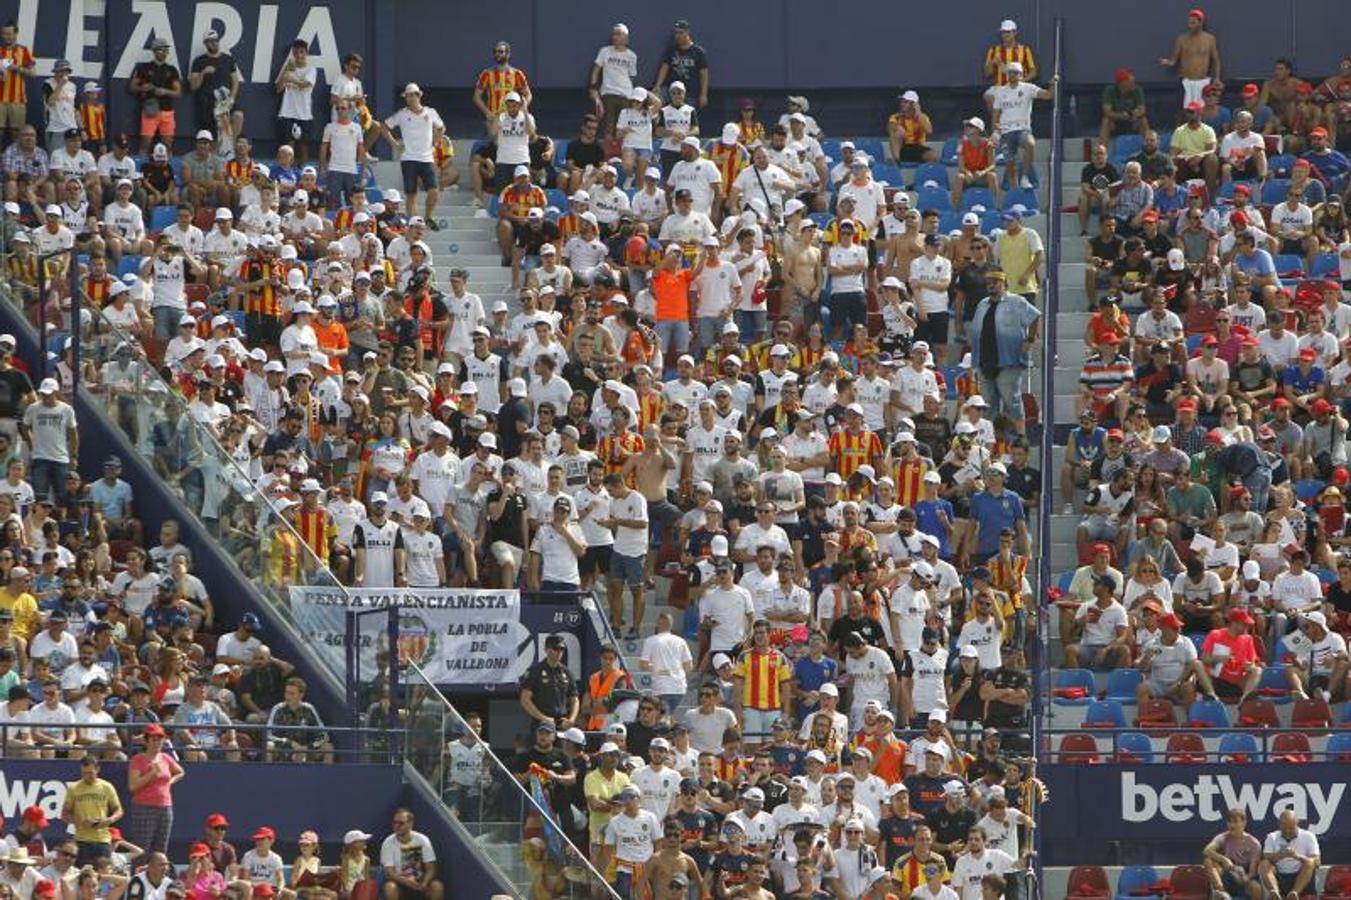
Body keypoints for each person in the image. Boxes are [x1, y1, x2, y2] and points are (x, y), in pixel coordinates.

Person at [124, 724, 181, 860]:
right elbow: (133, 786)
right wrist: (151, 774)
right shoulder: (138, 759)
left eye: (160, 738)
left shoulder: (166, 758)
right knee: (141, 849)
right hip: (144, 808)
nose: (157, 742)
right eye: (153, 739)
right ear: (146, 741)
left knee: (161, 849)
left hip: (165, 807)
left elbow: (180, 772)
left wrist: (170, 782)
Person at [61, 755, 123, 866]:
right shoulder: (74, 788)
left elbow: (119, 810)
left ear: (97, 769)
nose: (87, 776)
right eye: (84, 773)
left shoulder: (106, 786)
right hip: (81, 841)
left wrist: (108, 820)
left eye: (90, 773)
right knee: (81, 876)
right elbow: (64, 815)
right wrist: (81, 821)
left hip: (102, 840)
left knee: (103, 876)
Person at [1158, 9, 1222, 106]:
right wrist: (1168, 62)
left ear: (1201, 23)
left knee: (1202, 111)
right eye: (1189, 22)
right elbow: (1174, 60)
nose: (1189, 25)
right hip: (1186, 81)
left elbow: (1216, 61)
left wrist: (1217, 78)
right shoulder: (1181, 39)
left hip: (1203, 81)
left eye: (1193, 22)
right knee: (1184, 111)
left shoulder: (1210, 39)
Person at [379, 810, 444, 900]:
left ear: (410, 824)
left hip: (420, 882)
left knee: (437, 886)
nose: (397, 826)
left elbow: (431, 868)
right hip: (400, 883)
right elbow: (389, 873)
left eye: (401, 823)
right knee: (390, 887)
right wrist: (407, 882)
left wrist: (424, 883)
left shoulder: (422, 840)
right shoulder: (388, 842)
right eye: (394, 822)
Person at [1258, 810, 1320, 900]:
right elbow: (1266, 857)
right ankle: (1275, 893)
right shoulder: (1271, 837)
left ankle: (1294, 893)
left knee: (1310, 863)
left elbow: (1317, 862)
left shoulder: (1308, 836)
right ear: (1279, 825)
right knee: (1264, 864)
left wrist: (1296, 856)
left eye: (1291, 828)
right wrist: (1280, 855)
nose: (1287, 831)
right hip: (1279, 877)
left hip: (1301, 877)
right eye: (1284, 828)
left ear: (1297, 824)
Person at [1204, 808, 1264, 900]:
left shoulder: (1254, 844)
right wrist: (1224, 859)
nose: (1232, 825)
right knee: (1208, 860)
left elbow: (1252, 872)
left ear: (1244, 823)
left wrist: (1244, 879)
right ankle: (1220, 891)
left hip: (1243, 879)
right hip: (1226, 876)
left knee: (1256, 888)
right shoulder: (1223, 837)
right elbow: (1207, 850)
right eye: (1230, 822)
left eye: (1235, 822)